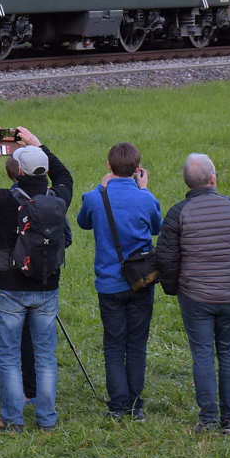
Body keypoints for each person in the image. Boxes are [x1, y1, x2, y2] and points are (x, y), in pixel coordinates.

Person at [0, 125, 72, 432]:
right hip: (46, 285)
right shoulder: (58, 198)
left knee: (10, 356)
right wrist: (42, 146)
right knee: (45, 356)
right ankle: (47, 419)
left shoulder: (5, 201)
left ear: (19, 174)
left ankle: (12, 419)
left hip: (10, 287)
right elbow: (65, 176)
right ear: (44, 171)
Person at [156, 154, 230, 435]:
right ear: (213, 178)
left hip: (196, 297)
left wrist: (172, 288)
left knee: (202, 354)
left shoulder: (179, 213)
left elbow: (166, 258)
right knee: (229, 354)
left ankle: (207, 419)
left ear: (187, 183)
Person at [76, 142, 163, 420]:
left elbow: (83, 223)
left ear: (108, 166)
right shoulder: (145, 198)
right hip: (141, 280)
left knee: (113, 344)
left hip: (109, 283)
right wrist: (144, 190)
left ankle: (117, 406)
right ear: (138, 169)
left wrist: (102, 189)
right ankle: (136, 407)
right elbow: (157, 227)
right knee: (137, 343)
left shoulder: (94, 197)